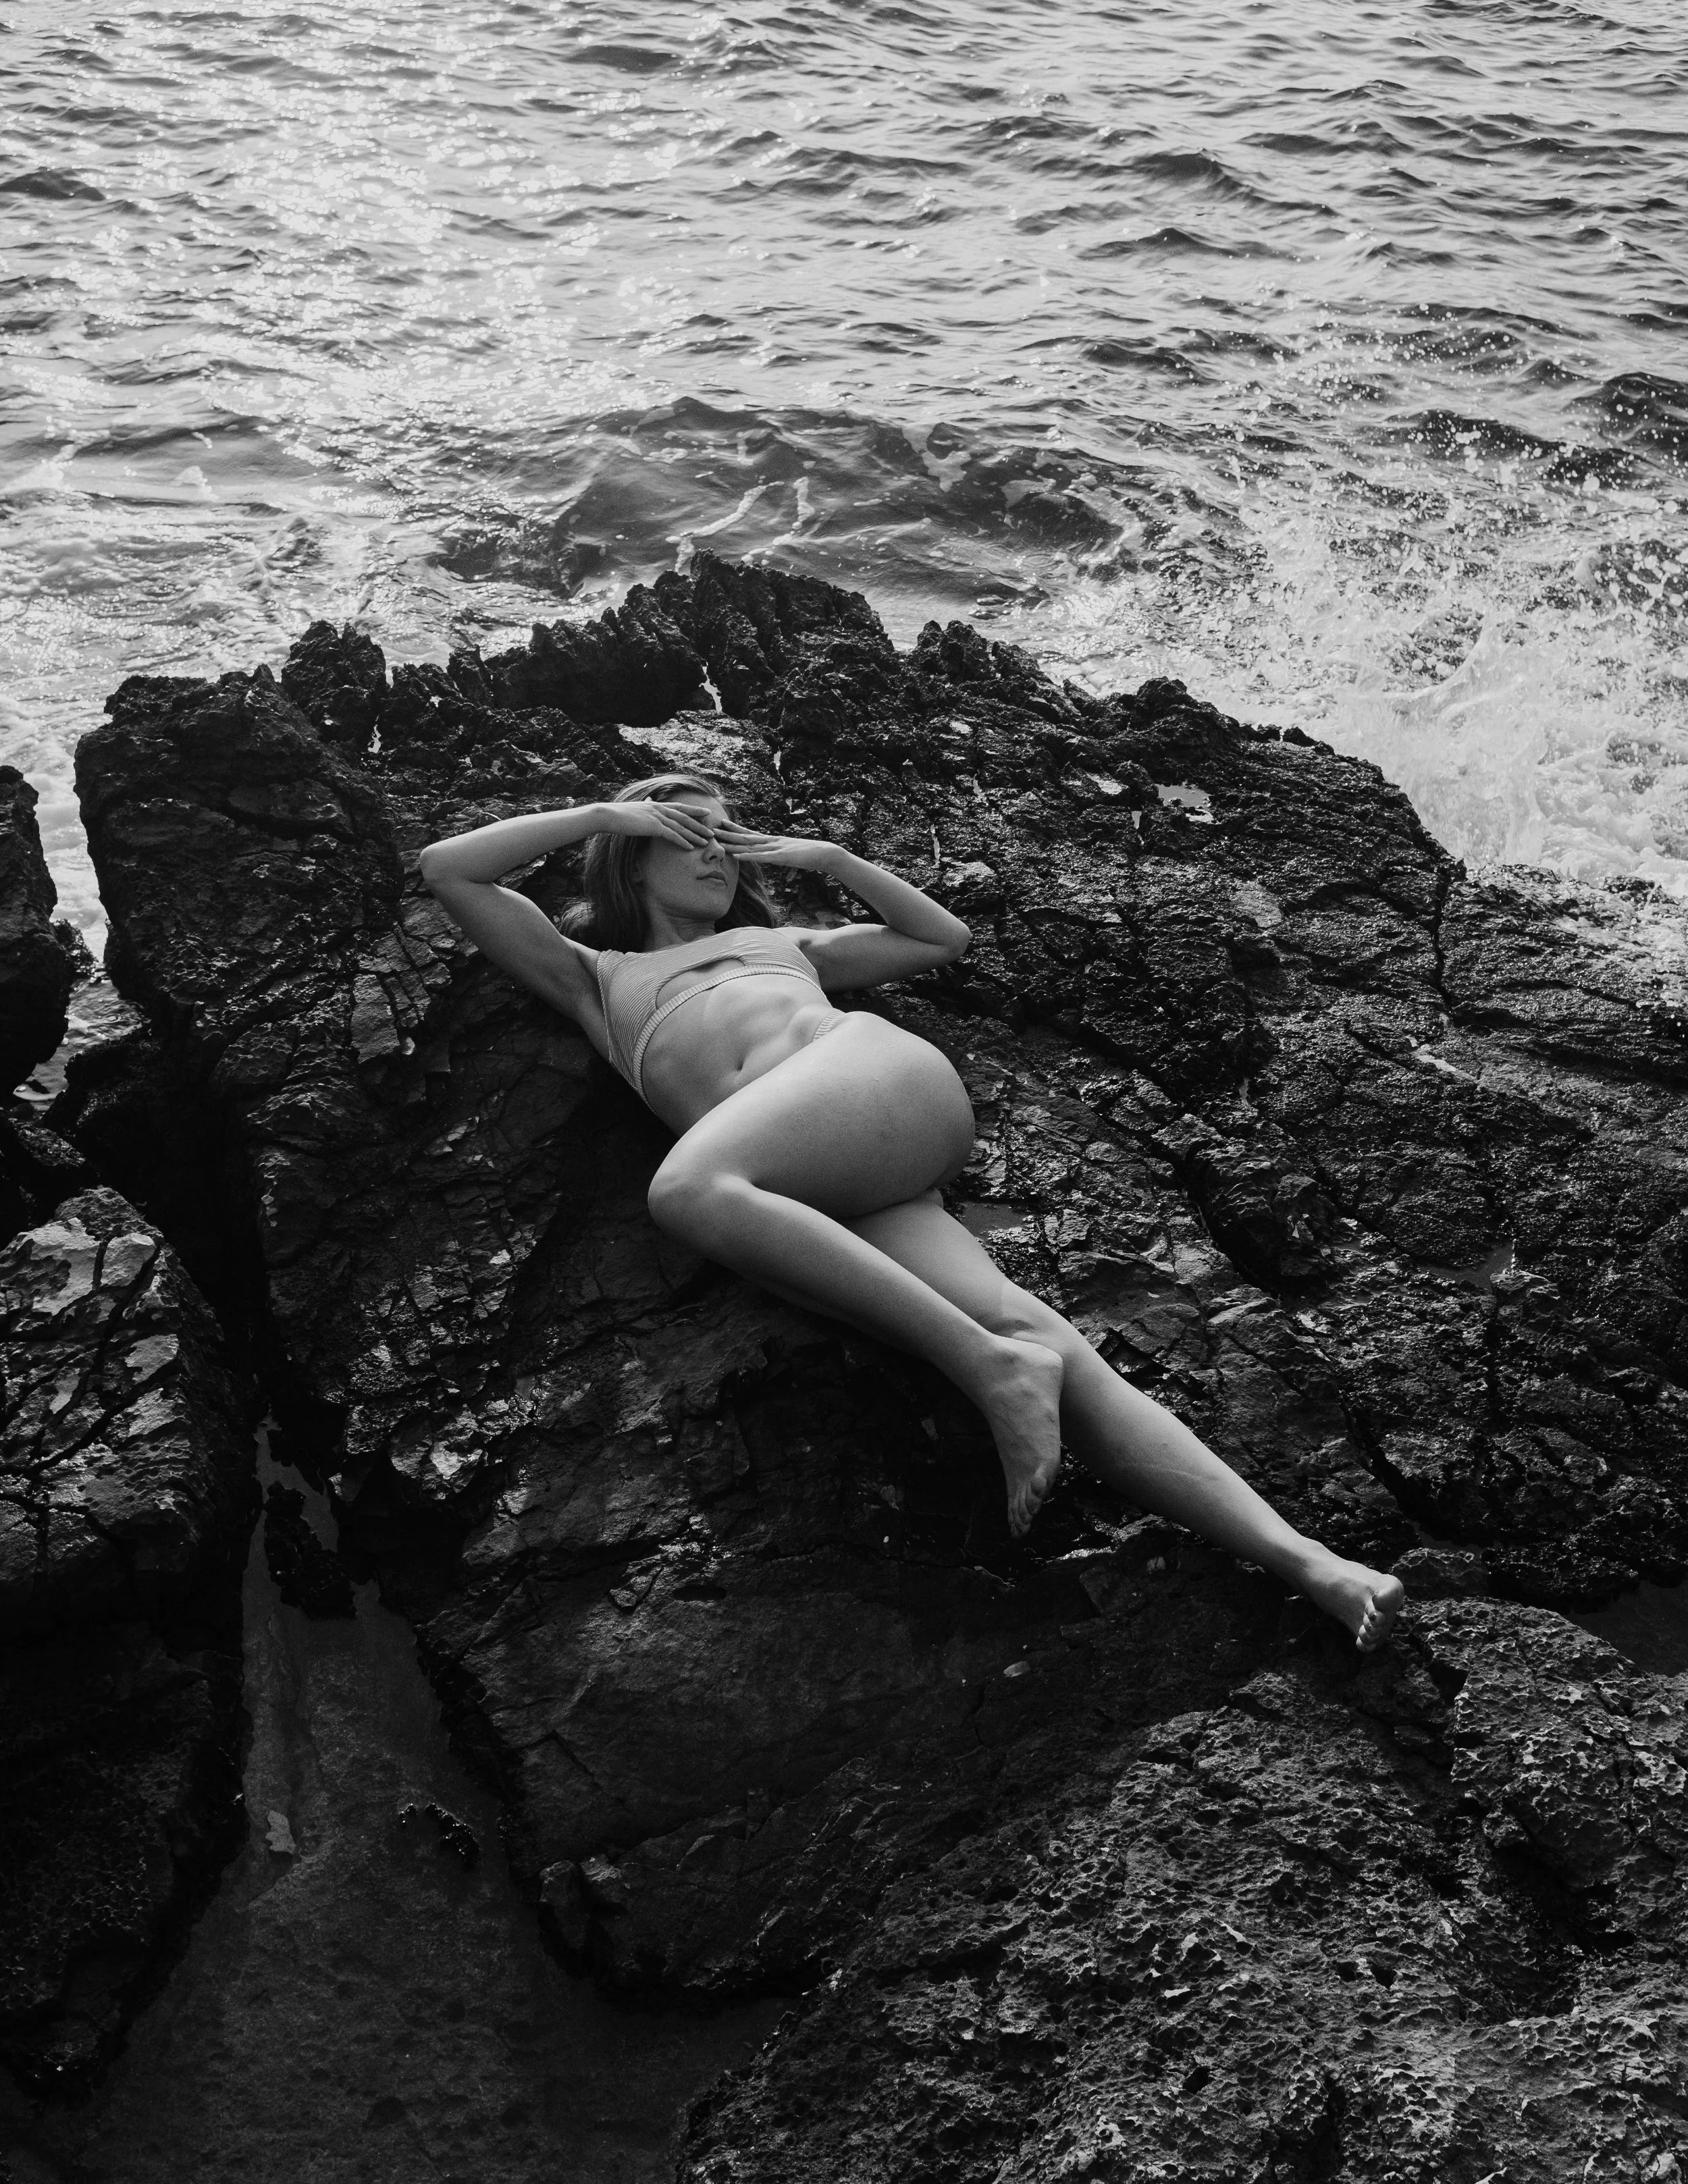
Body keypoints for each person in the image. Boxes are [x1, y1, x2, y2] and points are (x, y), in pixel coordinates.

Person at [419, 771, 1404, 1651]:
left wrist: (831, 857)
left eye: (729, 830)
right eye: (689, 829)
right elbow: (451, 869)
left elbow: (943, 937)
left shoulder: (781, 941)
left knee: (686, 1189)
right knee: (1032, 1327)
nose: (719, 846)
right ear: (629, 851)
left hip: (876, 1079)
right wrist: (602, 809)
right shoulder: (595, 978)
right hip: (834, 1178)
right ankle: (1311, 1562)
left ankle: (988, 1371)